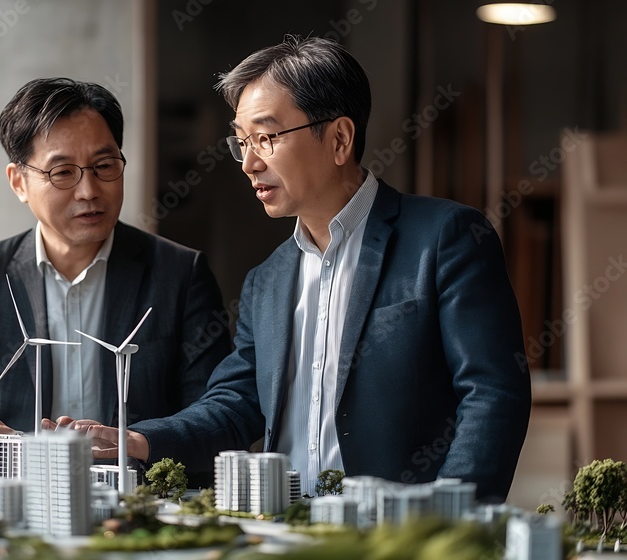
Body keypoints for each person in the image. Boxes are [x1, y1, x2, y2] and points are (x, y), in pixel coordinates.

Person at [62, 36, 531, 502]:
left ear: (340, 139)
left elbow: (491, 393)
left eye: (266, 137)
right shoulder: (266, 280)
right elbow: (236, 403)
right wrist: (140, 440)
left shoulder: (445, 238)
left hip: (397, 537)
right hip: (285, 531)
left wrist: (450, 523)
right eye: (242, 141)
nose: (248, 163)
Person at [0, 77, 231, 460]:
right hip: (19, 495)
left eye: (104, 165)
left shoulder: (181, 274)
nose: (89, 191)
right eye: (63, 172)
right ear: (19, 182)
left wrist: (134, 443)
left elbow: (217, 411)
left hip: (139, 502)